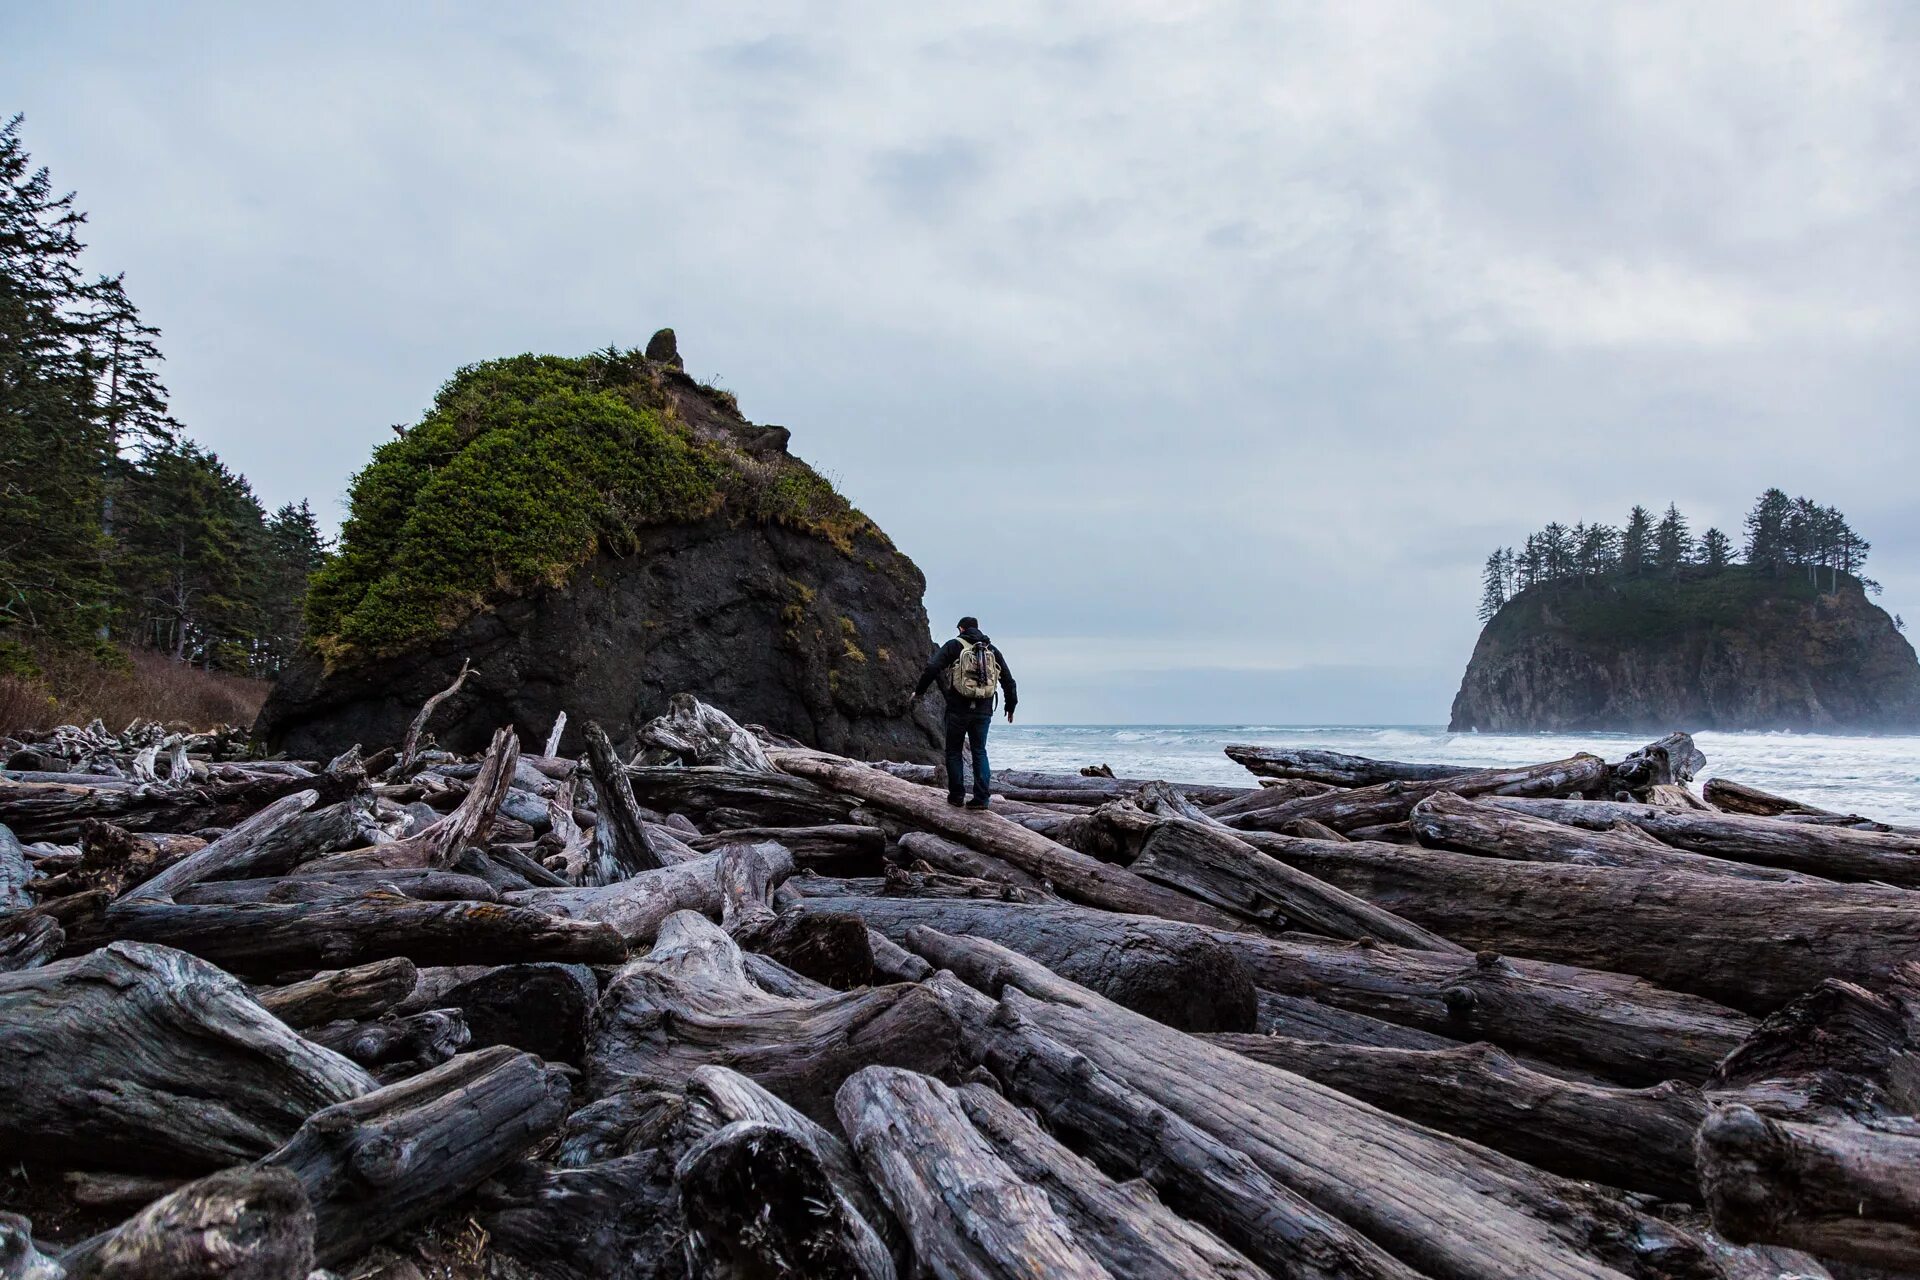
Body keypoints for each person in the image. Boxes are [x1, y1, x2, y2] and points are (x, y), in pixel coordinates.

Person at [911, 616, 1017, 808]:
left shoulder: (954, 645)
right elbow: (1008, 681)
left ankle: (957, 796)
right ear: (977, 628)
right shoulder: (991, 650)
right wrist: (1010, 706)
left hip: (958, 709)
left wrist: (919, 691)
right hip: (984, 710)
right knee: (979, 751)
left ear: (961, 629)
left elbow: (933, 667)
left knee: (953, 751)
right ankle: (982, 799)